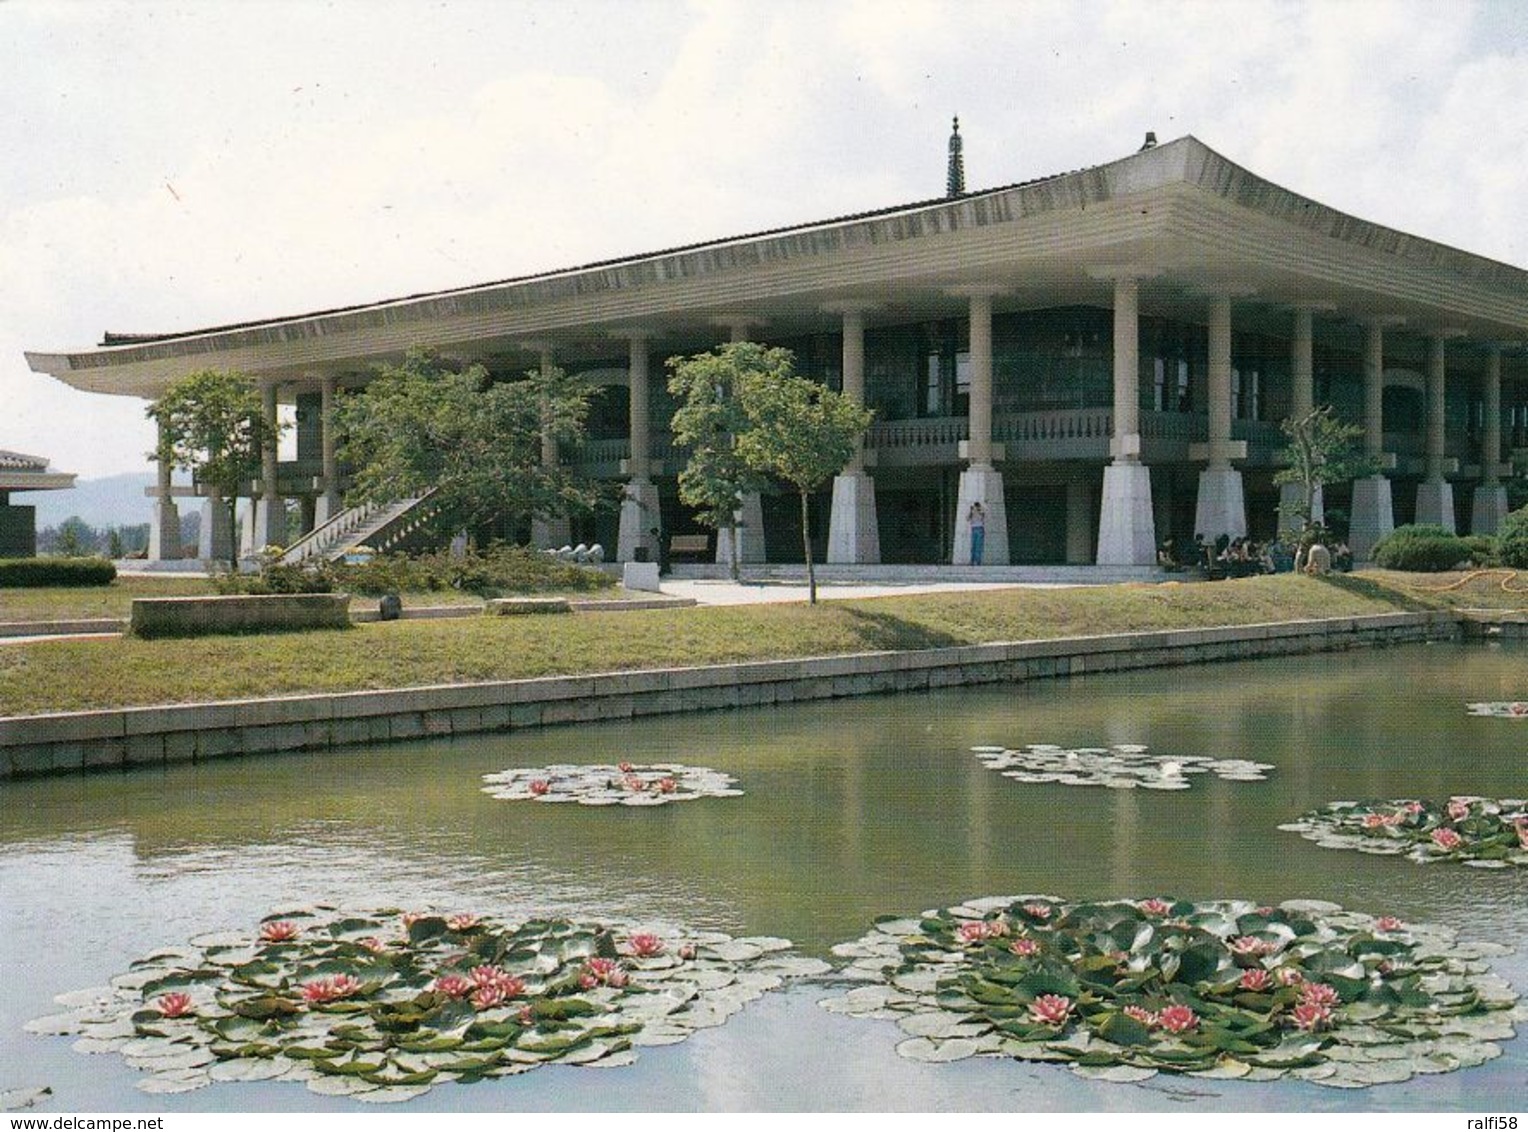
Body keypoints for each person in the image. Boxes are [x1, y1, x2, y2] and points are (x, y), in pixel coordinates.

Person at [967, 501, 986, 566]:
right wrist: (971, 512)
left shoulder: (981, 511)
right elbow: (967, 518)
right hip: (974, 529)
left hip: (980, 528)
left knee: (978, 546)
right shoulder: (972, 512)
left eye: (976, 506)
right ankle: (972, 561)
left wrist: (978, 510)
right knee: (973, 546)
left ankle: (978, 561)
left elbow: (982, 515)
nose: (975, 508)